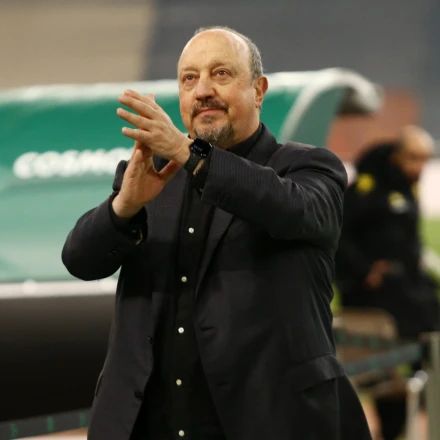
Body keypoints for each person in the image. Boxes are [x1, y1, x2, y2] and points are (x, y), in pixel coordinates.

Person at [62, 26, 371, 440]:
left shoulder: (309, 168)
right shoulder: (150, 176)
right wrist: (124, 207)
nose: (203, 90)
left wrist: (188, 153)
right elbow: (79, 260)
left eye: (221, 74)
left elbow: (290, 209)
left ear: (258, 91)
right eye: (189, 79)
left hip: (268, 423)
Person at [335, 125, 439, 440]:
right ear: (397, 156)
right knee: (392, 366)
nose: (419, 167)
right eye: (413, 158)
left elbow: (410, 244)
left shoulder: (408, 190)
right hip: (375, 298)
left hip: (409, 293)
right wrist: (366, 271)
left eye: (424, 160)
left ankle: (422, 402)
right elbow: (338, 233)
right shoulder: (366, 190)